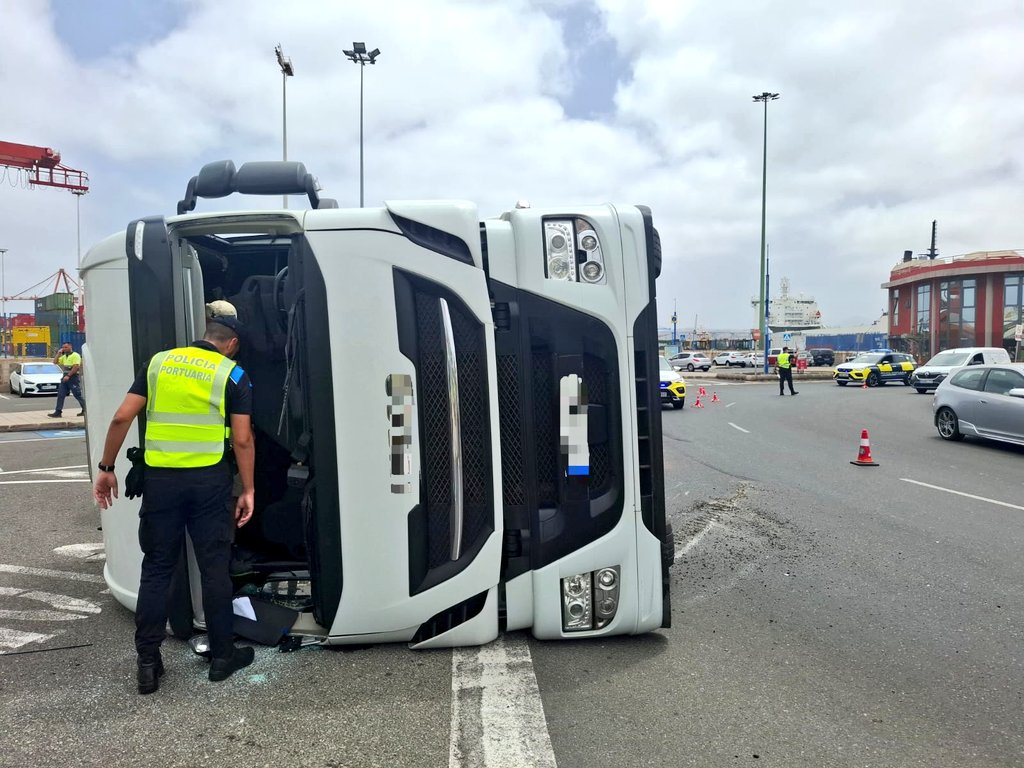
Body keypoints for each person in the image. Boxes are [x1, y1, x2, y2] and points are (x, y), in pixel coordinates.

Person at [93, 312, 256, 694]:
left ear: (206, 335)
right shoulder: (232, 374)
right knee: (214, 568)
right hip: (209, 483)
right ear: (231, 344)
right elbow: (243, 440)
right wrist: (247, 489)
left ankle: (148, 663)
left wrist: (107, 467)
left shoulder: (158, 362)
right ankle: (221, 657)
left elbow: (121, 417)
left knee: (157, 568)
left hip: (161, 481)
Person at [48, 342, 86, 418]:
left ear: (70, 347)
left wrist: (68, 376)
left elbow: (76, 367)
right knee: (61, 395)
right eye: (63, 347)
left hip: (73, 378)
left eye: (66, 347)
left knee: (77, 395)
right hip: (65, 378)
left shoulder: (75, 355)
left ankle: (85, 410)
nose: (64, 349)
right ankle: (58, 412)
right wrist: (58, 353)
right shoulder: (64, 356)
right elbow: (55, 362)